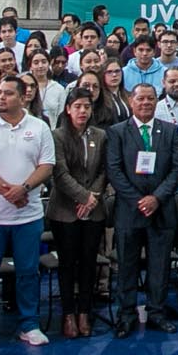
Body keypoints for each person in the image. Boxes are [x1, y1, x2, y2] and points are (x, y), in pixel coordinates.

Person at [0, 74, 56, 351]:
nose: (1, 97)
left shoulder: (39, 127)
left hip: (27, 217)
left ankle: (29, 324)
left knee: (28, 272)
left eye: (7, 93)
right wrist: (10, 192)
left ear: (23, 96)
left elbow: (47, 165)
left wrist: (24, 188)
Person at [107, 81, 178, 334]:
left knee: (159, 266)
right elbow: (114, 170)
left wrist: (157, 198)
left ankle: (156, 312)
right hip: (129, 212)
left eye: (150, 99)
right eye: (140, 99)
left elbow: (177, 169)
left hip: (161, 210)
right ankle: (126, 314)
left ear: (157, 101)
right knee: (128, 266)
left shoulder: (170, 131)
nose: (145, 103)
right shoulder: (117, 132)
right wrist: (138, 200)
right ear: (131, 101)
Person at [48, 94, 110, 338]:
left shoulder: (100, 135)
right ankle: (68, 313)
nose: (83, 111)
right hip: (65, 210)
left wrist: (93, 196)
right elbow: (60, 174)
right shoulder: (57, 136)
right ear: (68, 109)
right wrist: (83, 197)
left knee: (88, 263)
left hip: (94, 210)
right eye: (78, 107)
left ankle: (85, 312)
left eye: (86, 106)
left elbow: (105, 170)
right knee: (67, 264)